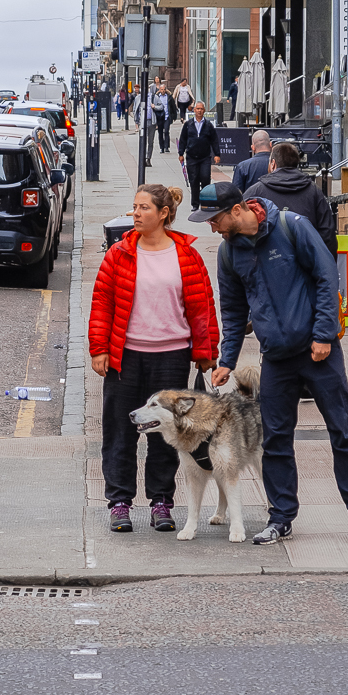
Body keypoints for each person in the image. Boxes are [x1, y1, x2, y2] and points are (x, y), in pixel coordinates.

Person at [189, 182, 348, 546]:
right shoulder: (229, 253)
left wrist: (323, 334)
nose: (212, 227)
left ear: (238, 209)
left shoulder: (292, 226)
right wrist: (226, 359)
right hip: (275, 356)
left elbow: (326, 276)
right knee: (275, 439)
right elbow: (233, 309)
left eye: (215, 219)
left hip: (317, 351)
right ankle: (281, 516)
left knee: (343, 431)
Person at [88, 184, 219, 534]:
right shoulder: (119, 254)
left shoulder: (187, 256)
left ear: (163, 213)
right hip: (125, 357)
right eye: (134, 207)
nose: (136, 214)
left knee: (167, 435)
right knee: (119, 433)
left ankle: (161, 502)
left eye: (144, 207)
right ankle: (119, 503)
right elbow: (102, 302)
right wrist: (99, 348)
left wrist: (207, 353)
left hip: (172, 357)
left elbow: (204, 307)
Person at [247, 141, 338, 256]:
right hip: (306, 264)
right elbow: (327, 234)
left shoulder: (255, 192)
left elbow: (241, 230)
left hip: (267, 266)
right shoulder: (314, 191)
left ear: (273, 164)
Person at [178, 101, 221, 210]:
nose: (199, 111)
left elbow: (214, 140)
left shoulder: (208, 125)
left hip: (205, 157)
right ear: (194, 110)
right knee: (194, 180)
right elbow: (183, 139)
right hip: (192, 157)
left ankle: (205, 202)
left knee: (206, 178)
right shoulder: (188, 125)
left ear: (204, 111)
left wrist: (217, 154)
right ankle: (195, 204)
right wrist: (181, 153)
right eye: (197, 109)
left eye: (201, 109)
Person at [151, 83, 178, 154]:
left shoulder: (169, 97)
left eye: (164, 89)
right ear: (159, 90)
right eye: (161, 89)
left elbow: (173, 107)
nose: (163, 91)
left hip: (167, 116)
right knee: (160, 132)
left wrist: (174, 116)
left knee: (166, 131)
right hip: (159, 117)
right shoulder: (156, 97)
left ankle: (166, 147)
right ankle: (161, 147)